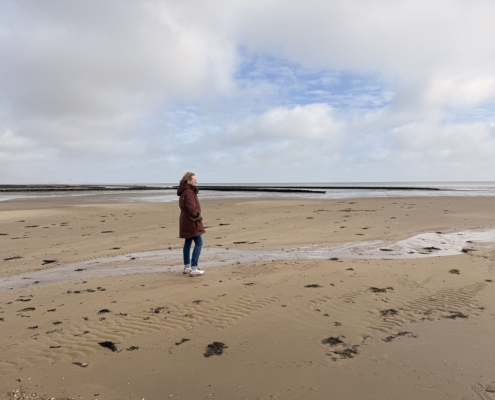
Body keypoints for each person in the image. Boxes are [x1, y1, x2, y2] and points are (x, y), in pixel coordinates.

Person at [177, 172, 206, 277]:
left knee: (188, 242)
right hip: (191, 221)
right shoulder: (188, 192)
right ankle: (194, 268)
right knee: (199, 242)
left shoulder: (185, 191)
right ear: (188, 180)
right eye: (194, 180)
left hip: (185, 220)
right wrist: (198, 217)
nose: (196, 181)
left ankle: (187, 267)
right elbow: (191, 209)